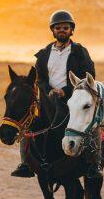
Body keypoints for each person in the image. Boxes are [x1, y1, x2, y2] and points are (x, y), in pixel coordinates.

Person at [11, 10, 97, 178]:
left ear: (72, 30)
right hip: (47, 100)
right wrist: (49, 90)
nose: (62, 30)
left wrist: (65, 91)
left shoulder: (80, 52)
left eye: (65, 27)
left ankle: (93, 163)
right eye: (58, 28)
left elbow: (90, 75)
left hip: (73, 99)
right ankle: (25, 164)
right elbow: (39, 77)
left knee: (91, 126)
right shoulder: (44, 54)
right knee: (28, 123)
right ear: (52, 30)